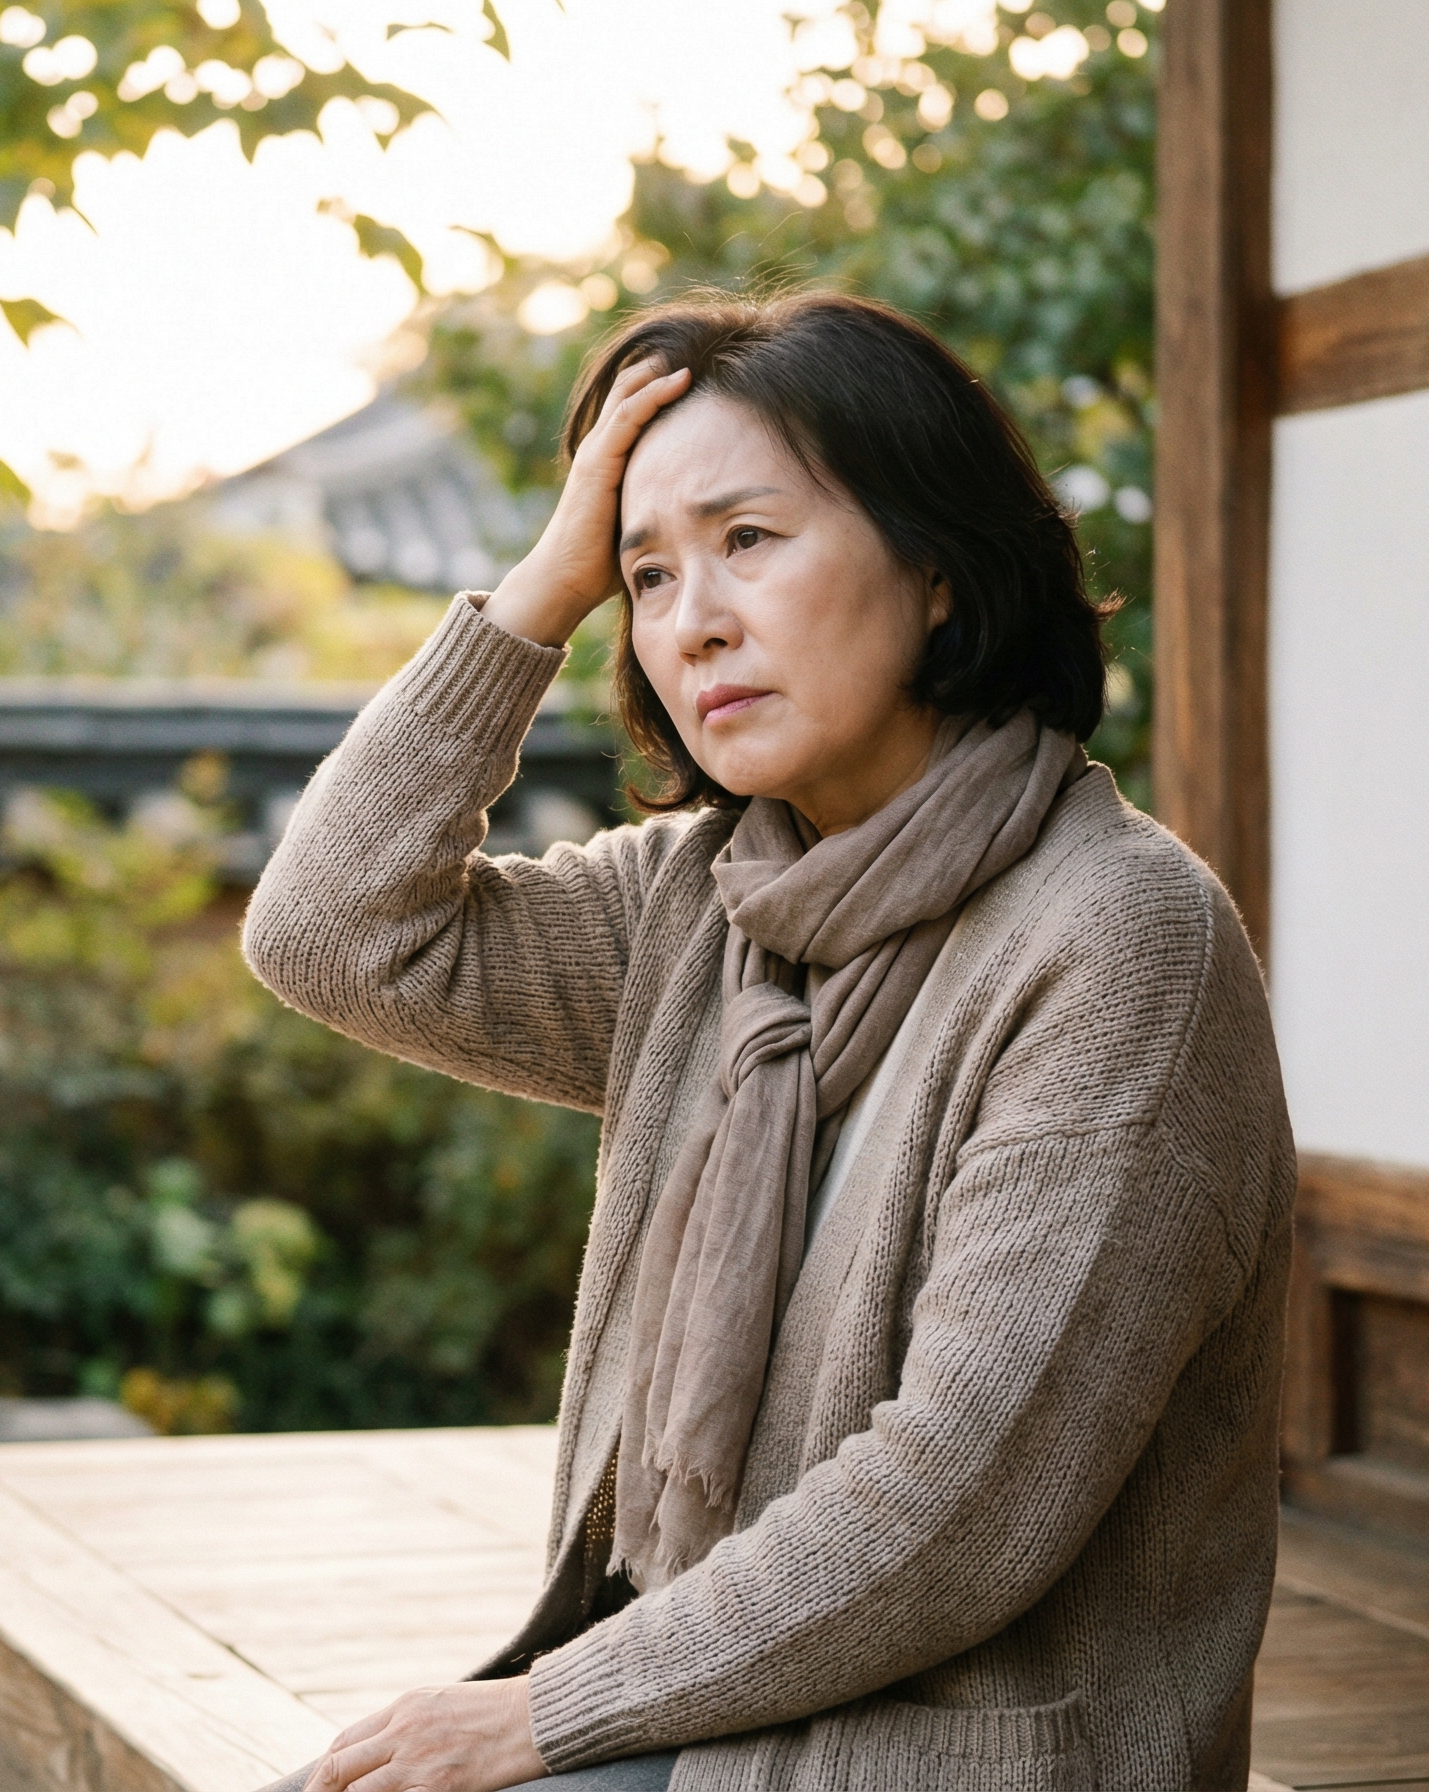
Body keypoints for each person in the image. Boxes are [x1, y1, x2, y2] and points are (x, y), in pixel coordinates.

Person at [241, 291, 1294, 1792]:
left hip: (959, 1762)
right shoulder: (704, 908)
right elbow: (331, 934)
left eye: (750, 540)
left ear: (937, 566)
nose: (693, 621)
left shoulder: (1121, 941)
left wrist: (540, 1713)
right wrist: (540, 588)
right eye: (646, 574)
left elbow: (962, 1499)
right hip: (706, 1714)